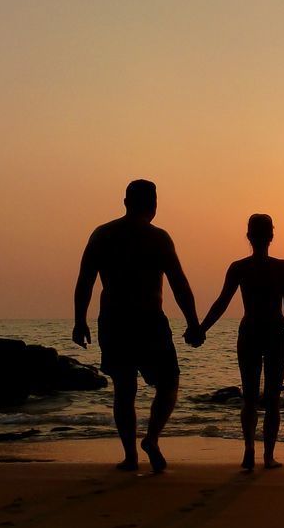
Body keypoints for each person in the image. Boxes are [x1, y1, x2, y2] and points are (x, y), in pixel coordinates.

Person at [72, 179, 204, 472]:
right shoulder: (157, 237)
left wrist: (79, 320)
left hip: (114, 320)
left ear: (125, 202)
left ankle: (131, 456)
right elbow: (179, 283)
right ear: (153, 205)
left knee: (124, 389)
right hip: (148, 320)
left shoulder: (103, 234)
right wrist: (193, 323)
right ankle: (152, 439)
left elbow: (85, 281)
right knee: (169, 384)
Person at [197, 213, 284, 471]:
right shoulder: (282, 267)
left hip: (251, 330)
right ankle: (268, 457)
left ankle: (249, 451)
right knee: (272, 397)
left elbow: (221, 302)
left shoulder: (239, 267)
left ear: (249, 236)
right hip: (276, 331)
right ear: (272, 236)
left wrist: (202, 328)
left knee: (250, 397)